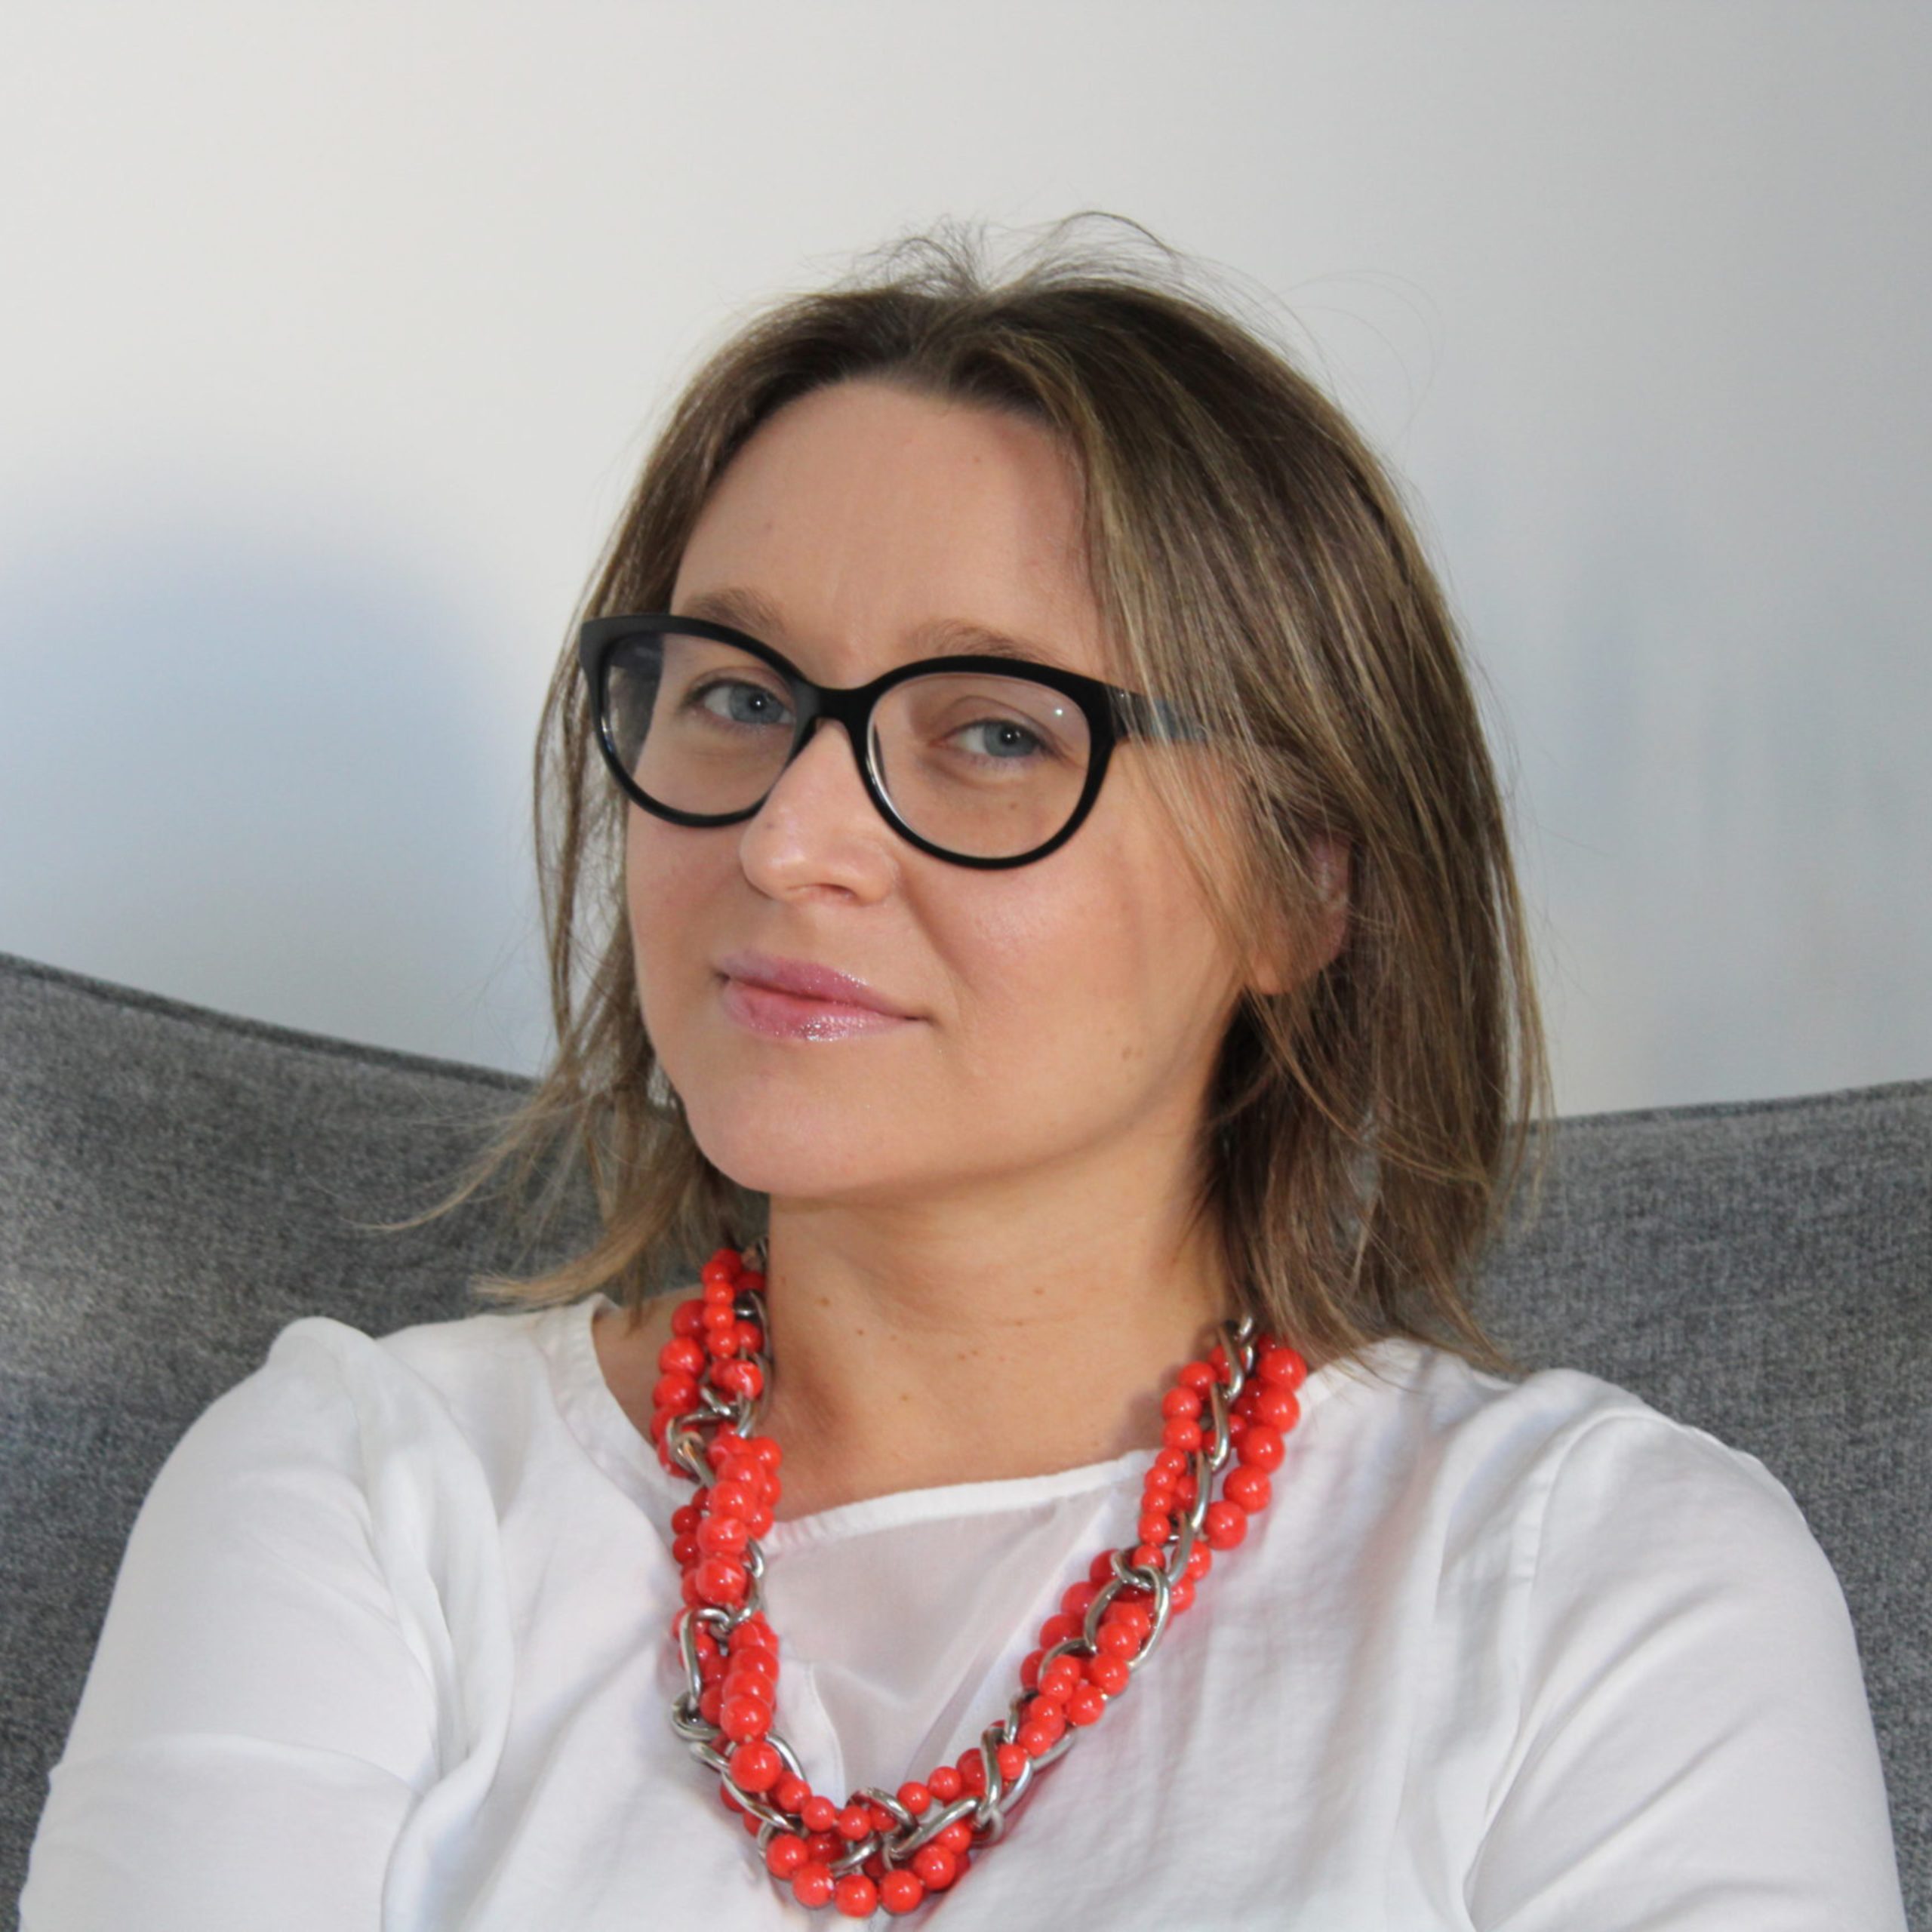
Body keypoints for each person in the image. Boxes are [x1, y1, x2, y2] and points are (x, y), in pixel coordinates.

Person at [21, 214, 1906, 1928]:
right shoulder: (363, 1498)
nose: (786, 841)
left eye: (995, 732)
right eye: (735, 694)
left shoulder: (1610, 1589)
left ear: (1301, 882)